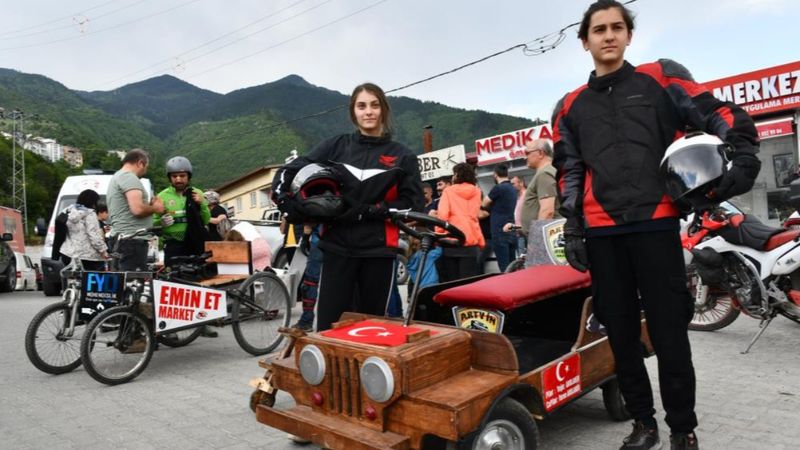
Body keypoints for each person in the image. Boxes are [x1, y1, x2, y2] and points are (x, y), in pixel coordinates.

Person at [552, 2, 759, 449]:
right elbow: (569, 170)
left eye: (617, 28)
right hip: (602, 232)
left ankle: (683, 430)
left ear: (628, 35)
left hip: (657, 224)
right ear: (584, 41)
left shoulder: (661, 78)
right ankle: (643, 423)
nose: (608, 36)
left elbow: (716, 112)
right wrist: (572, 226)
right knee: (622, 334)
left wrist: (743, 151)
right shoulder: (568, 106)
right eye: (599, 29)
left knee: (669, 334)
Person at [273, 82, 424, 332]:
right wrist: (286, 204)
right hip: (336, 248)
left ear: (383, 110)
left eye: (374, 105)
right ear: (353, 111)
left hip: (379, 252)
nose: (368, 112)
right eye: (361, 106)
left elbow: (413, 205)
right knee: (330, 327)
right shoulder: (336, 146)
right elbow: (289, 171)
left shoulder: (402, 155)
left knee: (371, 328)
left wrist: (368, 210)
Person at [107, 149, 165, 271]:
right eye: (146, 167)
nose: (145, 171)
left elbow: (129, 208)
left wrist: (149, 205)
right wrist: (156, 208)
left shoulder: (117, 176)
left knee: (121, 282)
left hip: (121, 239)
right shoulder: (129, 178)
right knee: (133, 284)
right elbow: (137, 209)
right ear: (140, 163)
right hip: (132, 240)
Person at [154, 156, 211, 263]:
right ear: (170, 178)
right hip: (173, 244)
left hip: (195, 244)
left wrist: (202, 204)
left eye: (182, 176)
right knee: (172, 277)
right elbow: (153, 222)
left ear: (188, 176)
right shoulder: (161, 196)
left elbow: (206, 219)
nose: (178, 179)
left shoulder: (197, 193)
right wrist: (160, 223)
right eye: (174, 176)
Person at [435, 162, 485, 281]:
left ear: (457, 175)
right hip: (471, 241)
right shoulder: (477, 191)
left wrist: (439, 234)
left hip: (453, 239)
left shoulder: (449, 191)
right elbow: (475, 214)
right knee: (468, 282)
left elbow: (442, 215)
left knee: (453, 282)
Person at [517, 139, 561, 233]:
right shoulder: (546, 172)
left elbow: (547, 211)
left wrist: (538, 239)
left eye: (527, 153)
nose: (525, 157)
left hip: (545, 237)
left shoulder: (544, 174)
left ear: (541, 153)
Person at [59, 189, 109, 271]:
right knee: (97, 279)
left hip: (68, 254)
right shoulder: (90, 214)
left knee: (72, 280)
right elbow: (93, 235)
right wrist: (103, 251)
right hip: (87, 257)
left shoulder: (68, 211)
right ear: (93, 202)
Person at [482, 164, 517, 272]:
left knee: (504, 268)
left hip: (499, 230)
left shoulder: (498, 188)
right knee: (512, 265)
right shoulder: (512, 188)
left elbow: (484, 203)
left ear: (495, 175)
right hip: (512, 228)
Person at [510, 175, 527, 255]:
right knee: (520, 257)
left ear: (521, 183)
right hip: (519, 231)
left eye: (513, 184)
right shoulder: (517, 197)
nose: (511, 186)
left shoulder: (527, 195)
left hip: (526, 231)